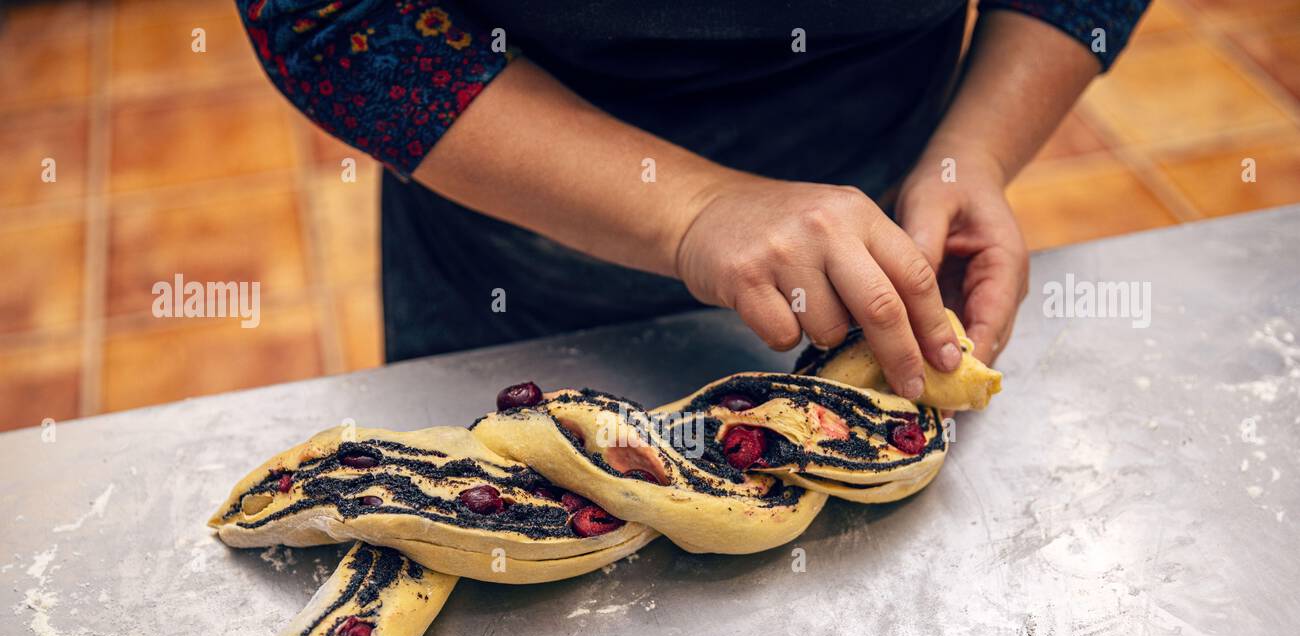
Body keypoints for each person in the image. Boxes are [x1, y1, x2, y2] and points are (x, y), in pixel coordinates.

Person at [236, 1, 1149, 398]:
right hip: (518, 273)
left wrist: (972, 149)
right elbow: (326, 14)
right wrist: (689, 209)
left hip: (874, 264)